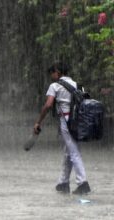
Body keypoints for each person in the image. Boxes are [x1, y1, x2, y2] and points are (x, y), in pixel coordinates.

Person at [33, 62, 91, 195]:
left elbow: (48, 105)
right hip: (78, 121)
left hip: (66, 121)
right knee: (68, 151)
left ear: (57, 72)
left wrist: (38, 122)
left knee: (74, 151)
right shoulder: (77, 85)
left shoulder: (55, 86)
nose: (51, 76)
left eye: (52, 73)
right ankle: (63, 182)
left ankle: (83, 183)